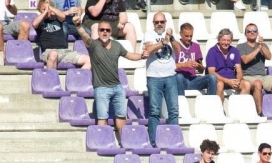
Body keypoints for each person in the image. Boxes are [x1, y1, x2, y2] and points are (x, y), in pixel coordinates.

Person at [74, 16, 147, 144]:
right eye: (102, 30)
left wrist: (141, 55)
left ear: (111, 32)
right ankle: (102, 143)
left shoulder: (117, 45)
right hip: (101, 88)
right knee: (102, 120)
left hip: (117, 87)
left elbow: (130, 55)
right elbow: (84, 35)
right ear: (98, 31)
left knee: (121, 118)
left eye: (107, 30)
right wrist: (78, 25)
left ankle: (124, 144)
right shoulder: (93, 45)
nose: (105, 32)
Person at [142, 12, 180, 148]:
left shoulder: (170, 36)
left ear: (165, 23)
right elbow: (148, 49)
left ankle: (174, 141)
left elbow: (178, 50)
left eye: (162, 22)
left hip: (170, 75)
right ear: (153, 23)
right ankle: (153, 142)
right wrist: (163, 42)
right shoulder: (149, 34)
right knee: (154, 111)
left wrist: (172, 39)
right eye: (157, 22)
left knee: (174, 110)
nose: (159, 24)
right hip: (154, 76)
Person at [237, 24, 272, 116]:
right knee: (257, 83)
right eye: (249, 31)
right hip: (248, 76)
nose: (252, 33)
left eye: (254, 31)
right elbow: (245, 60)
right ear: (245, 34)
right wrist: (258, 49)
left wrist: (261, 46)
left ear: (257, 33)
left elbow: (269, 57)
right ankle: (260, 112)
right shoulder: (241, 46)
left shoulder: (262, 45)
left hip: (263, 76)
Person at [33, 0, 91, 70]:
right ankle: (51, 79)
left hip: (64, 51)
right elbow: (34, 24)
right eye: (43, 9)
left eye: (48, 8)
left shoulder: (57, 18)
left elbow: (62, 16)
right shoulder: (40, 21)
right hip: (48, 52)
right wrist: (45, 12)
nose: (47, 10)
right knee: (53, 54)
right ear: (39, 10)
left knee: (89, 60)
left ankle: (77, 79)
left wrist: (50, 8)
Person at [206, 29, 251, 102]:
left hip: (232, 79)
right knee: (219, 85)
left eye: (228, 40)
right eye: (224, 40)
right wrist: (227, 81)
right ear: (219, 40)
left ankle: (239, 108)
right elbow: (211, 72)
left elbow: (239, 70)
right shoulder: (212, 51)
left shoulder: (234, 50)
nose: (226, 43)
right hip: (219, 79)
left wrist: (238, 80)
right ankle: (220, 109)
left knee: (247, 84)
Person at [174, 23, 217, 97]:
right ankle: (181, 104)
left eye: (191, 36)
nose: (189, 38)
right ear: (181, 34)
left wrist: (198, 66)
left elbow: (201, 70)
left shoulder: (196, 46)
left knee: (212, 78)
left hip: (193, 79)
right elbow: (171, 66)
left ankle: (210, 104)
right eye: (186, 36)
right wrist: (185, 64)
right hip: (180, 79)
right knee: (179, 77)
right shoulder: (175, 46)